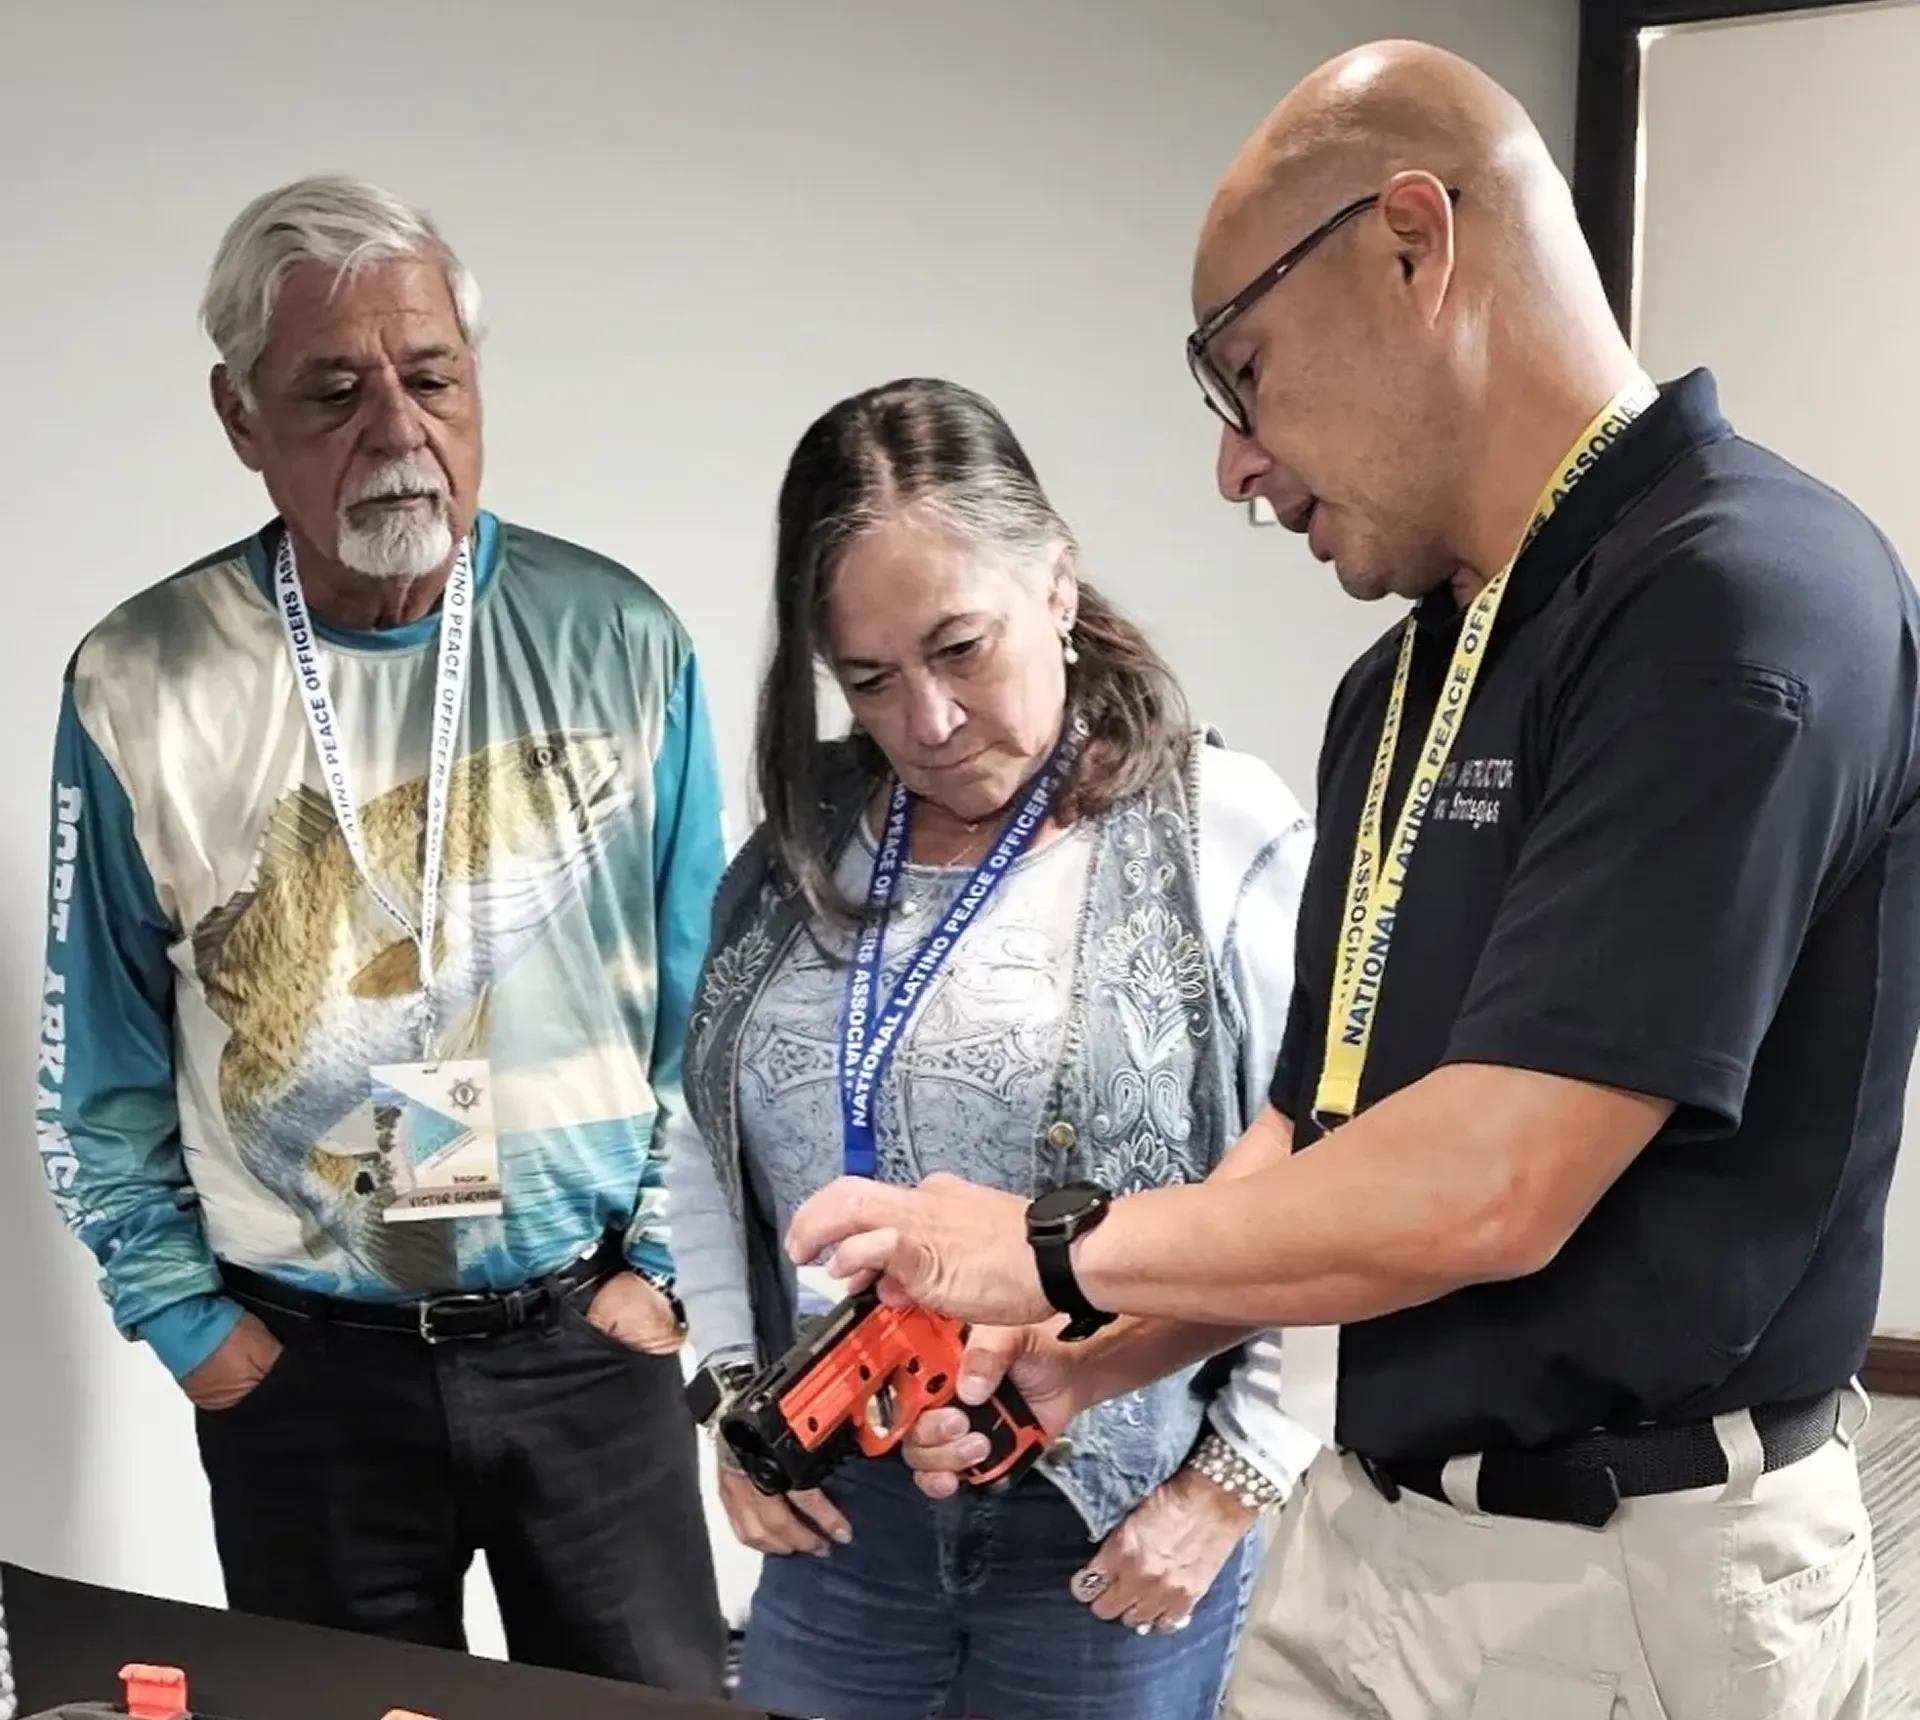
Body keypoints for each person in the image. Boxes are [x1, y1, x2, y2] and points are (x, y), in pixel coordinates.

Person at [784, 41, 1920, 1720]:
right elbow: (1319, 1131)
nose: (1235, 465)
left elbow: (1495, 1184)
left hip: (1631, 1566)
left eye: (1242, 374)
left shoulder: (1738, 603)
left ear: (1412, 244)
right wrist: (1099, 1352)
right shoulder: (1398, 687)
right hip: (1366, 1524)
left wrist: (1056, 1247)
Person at [33, 174, 727, 1695]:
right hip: (304, 1371)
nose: (397, 431)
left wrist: (670, 1269)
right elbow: (98, 1053)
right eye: (334, 391)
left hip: (584, 1348)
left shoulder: (622, 641)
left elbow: (713, 1007)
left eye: (432, 379)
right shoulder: (140, 679)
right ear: (239, 416)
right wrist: (183, 1320)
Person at [662, 375, 1334, 1720]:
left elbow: (1330, 1176)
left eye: (961, 648)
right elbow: (699, 1132)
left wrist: (1231, 1486)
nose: (928, 721)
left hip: (1106, 1521)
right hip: (846, 1520)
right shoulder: (796, 856)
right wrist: (738, 1401)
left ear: (1058, 584)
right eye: (868, 678)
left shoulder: (1223, 832)